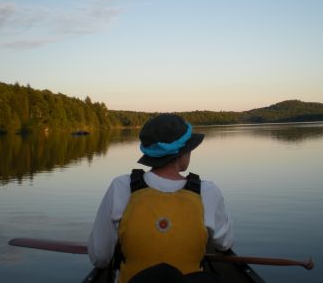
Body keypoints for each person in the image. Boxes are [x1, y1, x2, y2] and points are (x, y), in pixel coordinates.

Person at [88, 114, 233, 283]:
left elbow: (100, 257)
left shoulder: (121, 186)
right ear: (181, 153)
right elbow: (225, 244)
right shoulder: (208, 191)